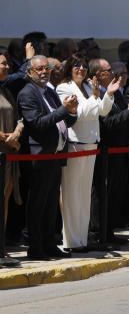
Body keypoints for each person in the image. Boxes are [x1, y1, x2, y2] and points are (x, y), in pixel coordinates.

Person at [18, 55, 78, 260]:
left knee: (51, 202)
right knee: (38, 202)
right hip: (39, 155)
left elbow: (65, 121)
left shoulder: (50, 92)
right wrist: (63, 110)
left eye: (46, 68)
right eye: (39, 69)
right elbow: (37, 123)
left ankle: (49, 243)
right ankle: (35, 247)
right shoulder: (27, 93)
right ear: (29, 72)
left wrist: (72, 111)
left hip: (56, 153)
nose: (44, 72)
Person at [57, 56, 119, 251]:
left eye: (84, 66)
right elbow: (79, 113)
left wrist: (108, 94)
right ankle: (71, 241)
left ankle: (81, 240)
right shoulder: (64, 88)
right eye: (77, 65)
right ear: (69, 68)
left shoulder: (87, 87)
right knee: (71, 194)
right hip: (75, 144)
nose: (81, 69)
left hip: (91, 143)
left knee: (84, 194)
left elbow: (101, 111)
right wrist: (94, 96)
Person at [89, 59, 129, 242]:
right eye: (109, 71)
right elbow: (106, 124)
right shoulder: (96, 94)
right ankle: (98, 232)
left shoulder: (117, 93)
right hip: (106, 151)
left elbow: (124, 116)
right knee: (101, 193)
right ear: (99, 75)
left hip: (120, 151)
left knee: (115, 193)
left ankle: (109, 230)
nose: (114, 74)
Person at [0, 50, 24, 229]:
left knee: (5, 197)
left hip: (9, 151)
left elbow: (19, 117)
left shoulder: (6, 91)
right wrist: (3, 137)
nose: (7, 67)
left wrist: (16, 133)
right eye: (3, 64)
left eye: (7, 63)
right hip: (3, 147)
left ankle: (2, 245)